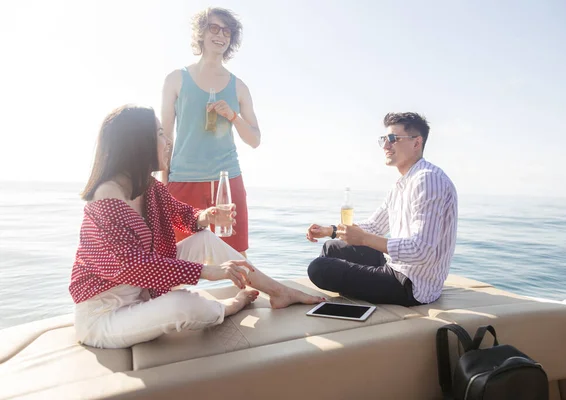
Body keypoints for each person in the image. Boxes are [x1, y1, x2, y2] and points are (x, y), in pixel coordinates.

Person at [69, 104, 322, 349]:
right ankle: (230, 306)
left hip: (142, 291)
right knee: (182, 304)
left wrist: (207, 216)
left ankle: (279, 291)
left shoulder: (148, 187)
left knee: (205, 240)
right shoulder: (105, 199)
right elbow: (131, 265)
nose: (168, 141)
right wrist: (209, 271)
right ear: (137, 143)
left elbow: (183, 214)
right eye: (159, 134)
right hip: (105, 316)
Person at [305, 112, 458, 306]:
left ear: (416, 143)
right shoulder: (403, 183)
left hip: (413, 284)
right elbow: (374, 226)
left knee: (319, 268)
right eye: (384, 139)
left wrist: (364, 239)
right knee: (332, 247)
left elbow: (422, 251)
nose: (386, 145)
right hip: (395, 264)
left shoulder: (428, 179)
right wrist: (331, 231)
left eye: (393, 139)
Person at [160, 7, 260, 257]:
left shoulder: (239, 86)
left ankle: (243, 297)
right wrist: (164, 183)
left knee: (236, 257)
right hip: (183, 178)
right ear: (201, 34)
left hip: (226, 180)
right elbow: (165, 137)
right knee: (175, 258)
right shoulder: (176, 79)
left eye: (226, 31)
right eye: (214, 28)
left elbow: (255, 140)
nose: (221, 35)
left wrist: (233, 116)